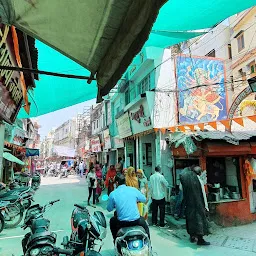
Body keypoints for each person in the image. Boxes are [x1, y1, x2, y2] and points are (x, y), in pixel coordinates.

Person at [107, 173, 150, 242]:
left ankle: (115, 241)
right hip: (136, 220)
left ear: (117, 183)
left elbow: (109, 209)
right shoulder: (133, 190)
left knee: (112, 221)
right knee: (146, 226)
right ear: (125, 181)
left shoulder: (113, 194)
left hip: (122, 222)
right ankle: (148, 243)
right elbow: (144, 199)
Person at [180, 166, 210, 246]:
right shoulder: (199, 180)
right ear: (200, 173)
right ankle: (200, 239)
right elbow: (203, 194)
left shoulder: (186, 180)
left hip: (189, 204)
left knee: (190, 220)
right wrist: (206, 206)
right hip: (198, 204)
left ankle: (192, 236)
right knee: (199, 221)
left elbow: (180, 188)